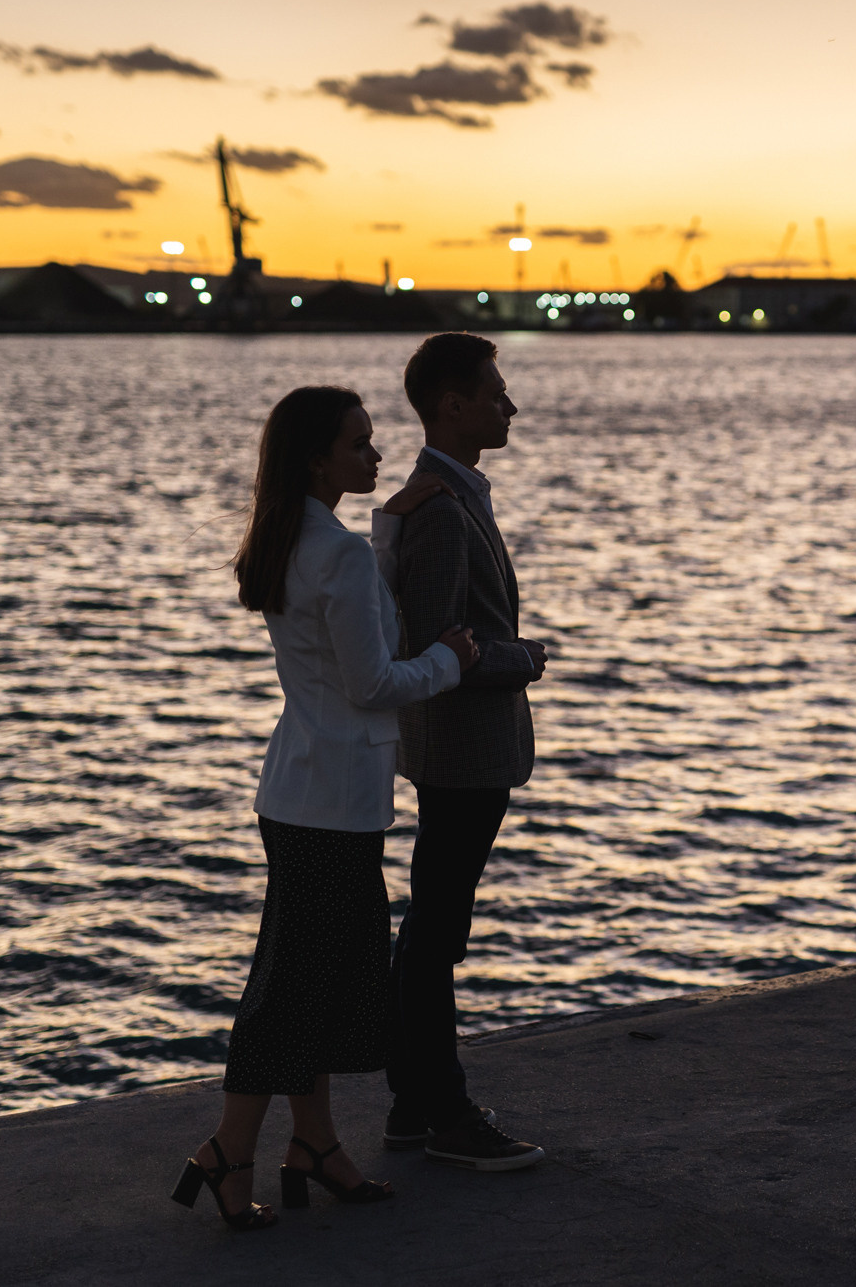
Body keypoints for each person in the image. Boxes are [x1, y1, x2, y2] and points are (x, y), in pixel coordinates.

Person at [171, 385, 480, 1231]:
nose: (376, 458)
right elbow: (374, 680)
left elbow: (354, 606)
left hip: (299, 793)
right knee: (288, 991)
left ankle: (314, 1145)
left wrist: (385, 527)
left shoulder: (294, 541)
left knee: (309, 985)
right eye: (359, 445)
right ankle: (230, 1149)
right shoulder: (331, 552)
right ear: (317, 459)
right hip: (333, 803)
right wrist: (452, 658)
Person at [373, 333, 547, 1171]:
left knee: (432, 924)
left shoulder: (449, 496)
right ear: (451, 403)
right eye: (494, 392)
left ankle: (412, 1103)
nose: (508, 405)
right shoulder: (440, 509)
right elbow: (438, 647)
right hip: (460, 752)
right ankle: (441, 1109)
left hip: (458, 752)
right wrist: (525, 658)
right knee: (439, 930)